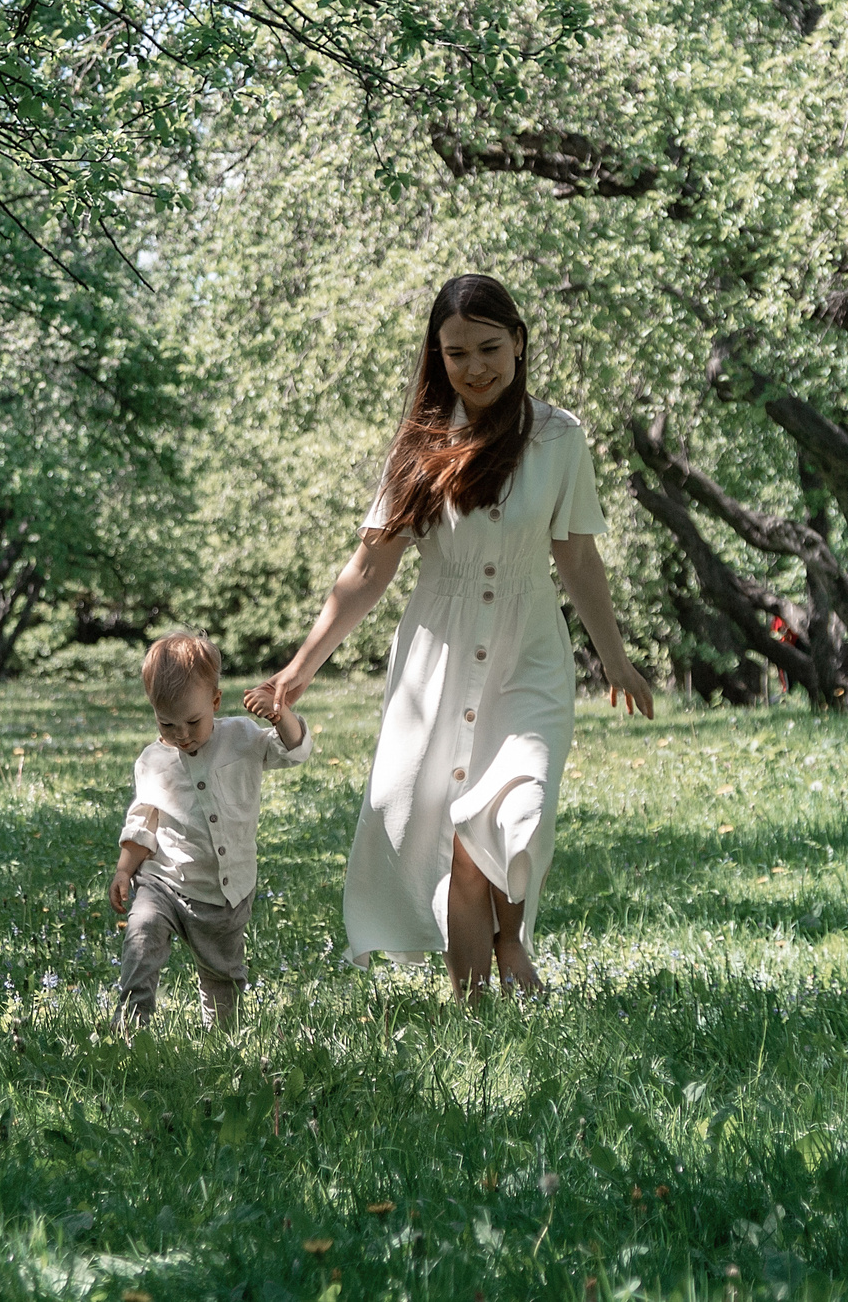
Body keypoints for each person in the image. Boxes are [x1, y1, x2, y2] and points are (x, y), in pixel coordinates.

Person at [247, 274, 654, 998]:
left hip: (528, 653)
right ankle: (474, 1008)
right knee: (445, 831)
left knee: (519, 802)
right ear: (437, 356)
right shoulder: (422, 443)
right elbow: (370, 567)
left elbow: (577, 555)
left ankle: (511, 937)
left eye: (489, 348)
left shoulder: (559, 437)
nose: (475, 367)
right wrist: (299, 668)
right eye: (456, 353)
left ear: (519, 342)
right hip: (437, 655)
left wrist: (616, 659)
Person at [110, 630, 311, 1028]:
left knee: (222, 978)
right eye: (167, 723)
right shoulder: (153, 760)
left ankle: (222, 1041)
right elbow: (144, 820)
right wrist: (123, 870)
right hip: (163, 882)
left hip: (225, 892)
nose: (181, 734)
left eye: (192, 721)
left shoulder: (241, 737)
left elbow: (295, 751)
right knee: (141, 941)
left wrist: (280, 714)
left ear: (215, 702)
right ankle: (131, 1028)